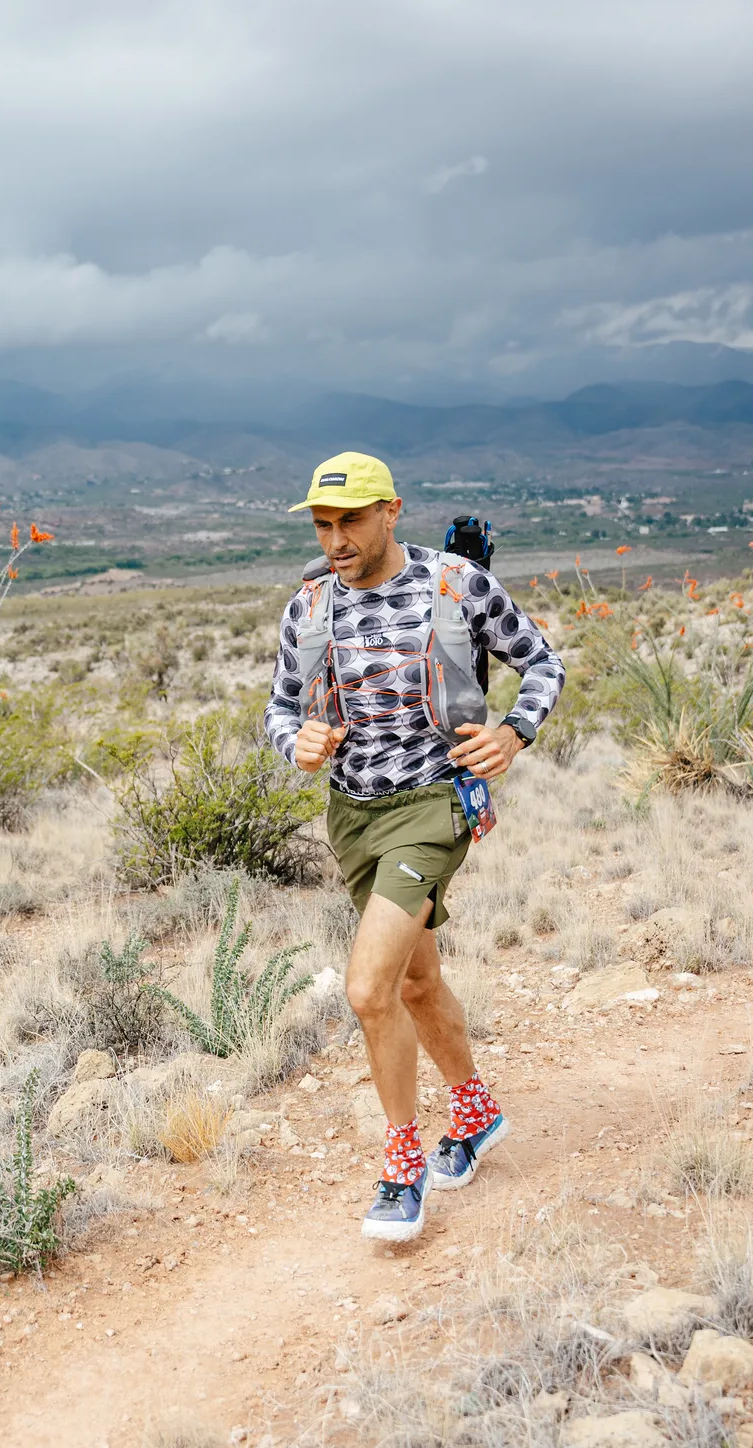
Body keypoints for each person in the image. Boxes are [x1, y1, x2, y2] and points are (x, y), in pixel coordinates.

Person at [263, 452, 564, 1243]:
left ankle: (403, 1165)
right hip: (353, 813)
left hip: (434, 801)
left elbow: (542, 661)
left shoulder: (455, 584)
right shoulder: (308, 606)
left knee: (370, 989)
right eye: (325, 525)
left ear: (392, 511)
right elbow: (280, 707)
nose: (337, 540)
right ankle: (475, 1109)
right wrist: (297, 741)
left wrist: (512, 730)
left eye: (351, 521)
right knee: (420, 981)